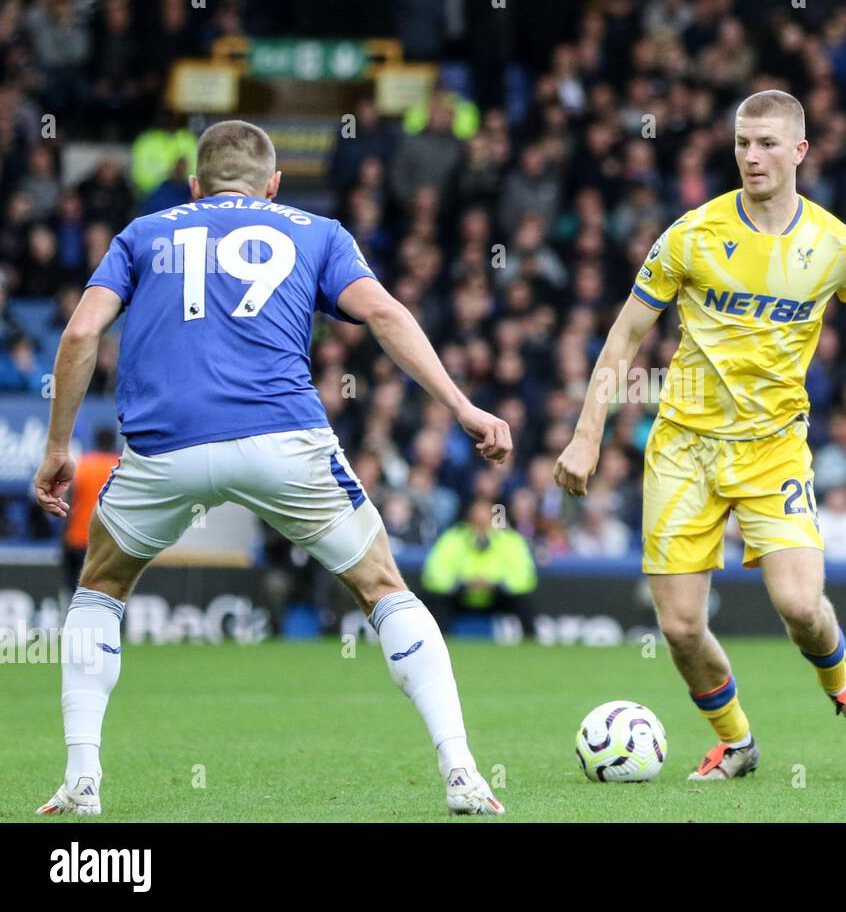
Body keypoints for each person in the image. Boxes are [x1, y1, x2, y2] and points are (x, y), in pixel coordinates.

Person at [33, 120, 514, 817]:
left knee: (100, 588)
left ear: (194, 185)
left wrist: (57, 447)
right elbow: (381, 310)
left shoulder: (143, 233)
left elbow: (80, 333)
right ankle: (463, 772)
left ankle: (82, 780)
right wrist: (462, 406)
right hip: (283, 439)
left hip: (164, 447)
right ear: (275, 184)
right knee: (382, 587)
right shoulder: (317, 232)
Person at [553, 90, 846, 780]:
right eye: (743, 142)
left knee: (801, 605)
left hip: (774, 444)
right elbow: (625, 336)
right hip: (683, 446)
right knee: (682, 628)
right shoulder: (690, 235)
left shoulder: (836, 246)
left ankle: (842, 686)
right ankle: (737, 741)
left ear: (799, 151)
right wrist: (586, 434)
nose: (752, 156)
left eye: (768, 143)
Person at [422, 497, 538, 639]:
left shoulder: (510, 539)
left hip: (498, 595)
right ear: (469, 515)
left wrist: (495, 584)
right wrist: (463, 583)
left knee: (523, 600)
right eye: (477, 513)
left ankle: (531, 640)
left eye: (486, 513)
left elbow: (523, 574)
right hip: (461, 594)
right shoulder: (452, 538)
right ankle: (437, 641)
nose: (481, 518)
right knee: (436, 599)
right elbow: (435, 573)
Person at [61, 426, 119, 594]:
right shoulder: (121, 467)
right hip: (110, 541)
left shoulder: (82, 465)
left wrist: (64, 539)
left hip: (79, 538)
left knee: (77, 592)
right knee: (110, 593)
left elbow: (68, 505)